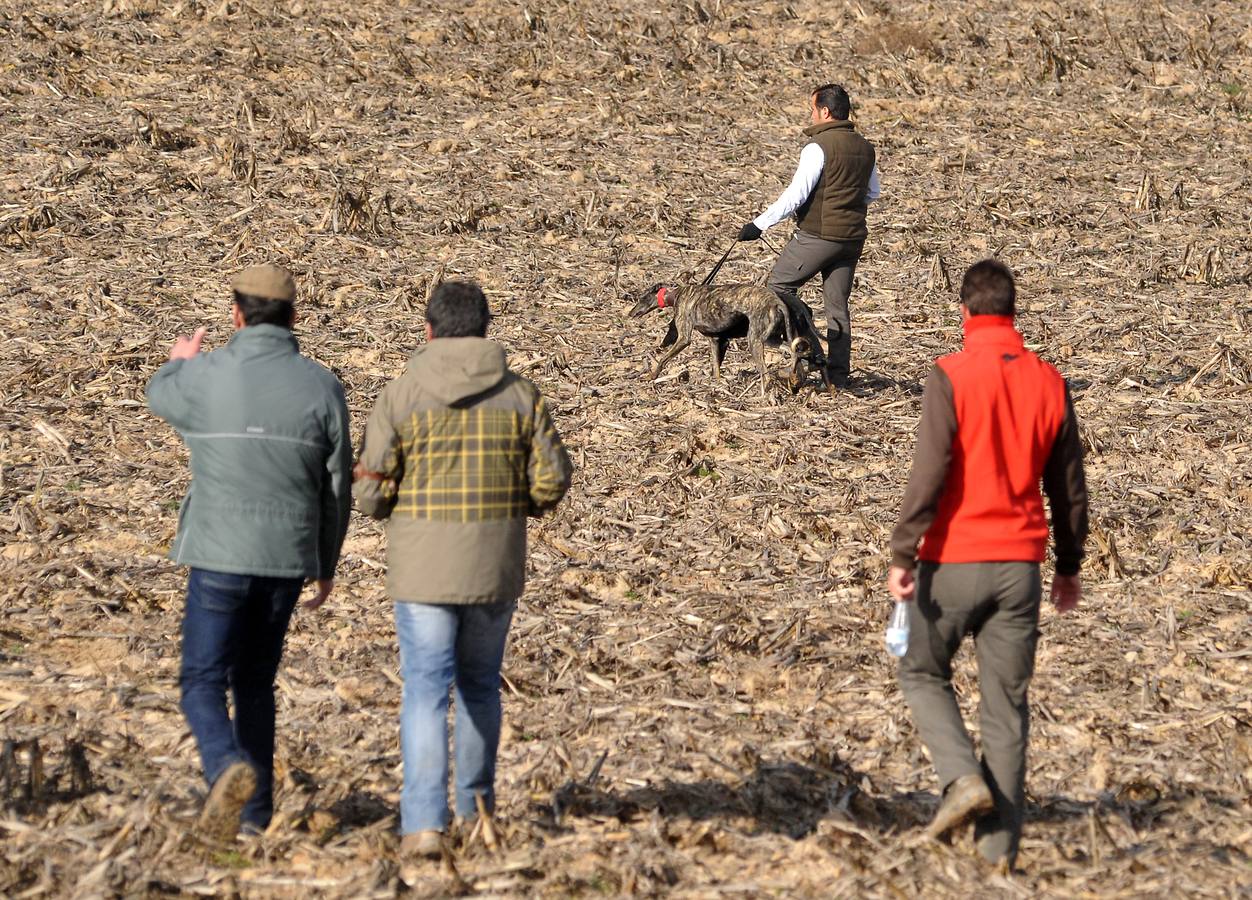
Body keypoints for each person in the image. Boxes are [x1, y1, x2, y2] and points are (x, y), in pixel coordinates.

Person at [353, 280, 572, 860]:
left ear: (428, 329)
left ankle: (423, 823)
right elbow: (551, 480)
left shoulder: (399, 395)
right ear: (485, 328)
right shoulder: (522, 395)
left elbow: (370, 494)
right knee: (479, 688)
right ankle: (478, 813)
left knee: (425, 692)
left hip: (422, 571)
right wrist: (512, 506)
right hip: (494, 567)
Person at [886, 259, 1088, 869]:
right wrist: (1069, 565)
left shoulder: (949, 374)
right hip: (1020, 568)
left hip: (953, 561)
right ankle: (998, 854)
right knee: (1006, 710)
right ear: (1013, 312)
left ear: (965, 313)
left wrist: (903, 552)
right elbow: (1069, 486)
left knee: (921, 670)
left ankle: (960, 777)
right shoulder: (1050, 380)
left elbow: (930, 470)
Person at [146, 264, 352, 842]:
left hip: (218, 553)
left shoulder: (206, 374)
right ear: (296, 318)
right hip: (286, 559)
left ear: (236, 315)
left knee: (201, 681)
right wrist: (326, 561)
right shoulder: (322, 386)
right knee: (257, 682)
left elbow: (159, 394)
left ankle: (224, 768)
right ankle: (256, 816)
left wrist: (181, 359)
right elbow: (337, 485)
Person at [738, 83, 880, 389]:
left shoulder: (818, 147)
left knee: (778, 289)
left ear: (825, 112)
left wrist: (759, 225)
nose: (811, 115)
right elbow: (872, 193)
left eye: (812, 109)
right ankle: (838, 378)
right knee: (837, 307)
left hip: (818, 236)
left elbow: (796, 196)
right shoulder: (866, 147)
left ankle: (808, 355)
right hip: (853, 239)